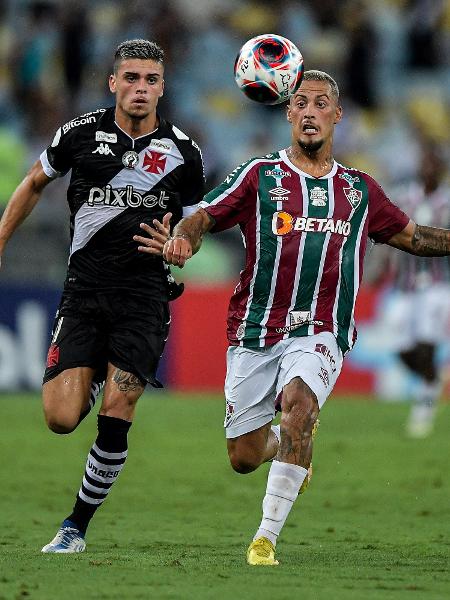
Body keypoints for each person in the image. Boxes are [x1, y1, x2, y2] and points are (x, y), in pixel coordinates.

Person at [145, 70, 449, 566]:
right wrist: (183, 238)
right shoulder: (259, 175)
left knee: (300, 406)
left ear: (337, 115)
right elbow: (202, 215)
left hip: (322, 329)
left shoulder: (359, 190)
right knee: (243, 457)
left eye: (321, 103)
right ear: (288, 114)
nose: (310, 111)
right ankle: (289, 449)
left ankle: (264, 539)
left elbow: (413, 237)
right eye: (301, 102)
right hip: (255, 329)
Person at [0, 39, 205, 553]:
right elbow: (32, 183)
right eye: (130, 78)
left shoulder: (185, 152)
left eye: (150, 80)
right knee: (60, 419)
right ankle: (88, 380)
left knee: (121, 405)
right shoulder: (79, 134)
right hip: (84, 293)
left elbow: (197, 221)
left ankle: (75, 527)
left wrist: (183, 244)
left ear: (163, 86)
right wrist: (1, 236)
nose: (140, 89)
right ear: (112, 82)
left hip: (145, 296)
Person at [385, 145, 449, 437]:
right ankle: (431, 381)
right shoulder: (403, 196)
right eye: (424, 161)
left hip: (437, 285)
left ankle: (423, 405)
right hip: (404, 285)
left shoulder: (448, 201)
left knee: (426, 345)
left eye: (432, 162)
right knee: (399, 347)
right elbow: (387, 230)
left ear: (441, 168)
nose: (427, 167)